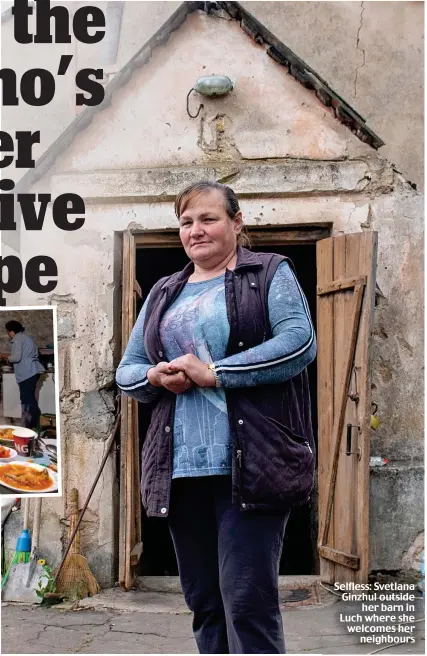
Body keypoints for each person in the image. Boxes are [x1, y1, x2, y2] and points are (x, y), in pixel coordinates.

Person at [116, 180, 317, 654]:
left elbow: (298, 343)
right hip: (181, 468)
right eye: (186, 222)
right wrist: (158, 377)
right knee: (204, 601)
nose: (195, 230)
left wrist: (215, 372)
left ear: (236, 223)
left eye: (208, 219)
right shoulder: (166, 290)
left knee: (247, 601)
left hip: (252, 464)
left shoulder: (269, 272)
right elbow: (127, 371)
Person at [0, 321, 45, 429]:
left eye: (8, 331)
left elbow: (16, 357)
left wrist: (5, 356)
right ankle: (35, 423)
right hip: (32, 371)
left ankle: (27, 426)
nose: (8, 334)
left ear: (11, 331)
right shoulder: (26, 338)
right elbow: (34, 354)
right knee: (30, 399)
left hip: (26, 373)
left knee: (26, 400)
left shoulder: (17, 340)